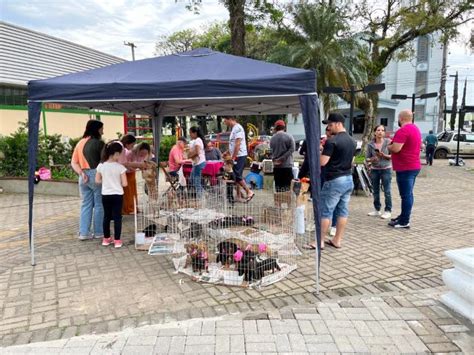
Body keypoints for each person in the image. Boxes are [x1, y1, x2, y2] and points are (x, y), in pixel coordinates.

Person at [306, 113, 356, 250]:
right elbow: (351, 161)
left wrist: (318, 152)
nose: (328, 127)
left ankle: (319, 241)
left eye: (330, 124)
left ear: (338, 124)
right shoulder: (353, 141)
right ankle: (337, 240)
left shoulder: (332, 141)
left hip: (334, 180)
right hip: (348, 179)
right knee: (342, 211)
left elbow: (323, 162)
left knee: (325, 211)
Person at [71, 120, 105, 241]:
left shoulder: (80, 143)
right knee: (99, 204)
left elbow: (73, 162)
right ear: (96, 129)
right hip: (96, 174)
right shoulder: (98, 143)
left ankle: (84, 233)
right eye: (101, 129)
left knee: (86, 205)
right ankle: (99, 232)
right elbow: (104, 161)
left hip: (83, 176)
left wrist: (81, 173)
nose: (103, 131)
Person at [388, 109, 421, 228]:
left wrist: (389, 146)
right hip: (413, 165)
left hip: (405, 167)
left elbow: (396, 148)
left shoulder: (403, 130)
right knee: (409, 194)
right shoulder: (415, 129)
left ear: (401, 118)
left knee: (406, 195)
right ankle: (403, 216)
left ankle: (404, 221)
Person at [95, 141, 128, 248]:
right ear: (116, 154)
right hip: (118, 195)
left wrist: (107, 181)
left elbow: (97, 181)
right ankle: (117, 240)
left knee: (107, 217)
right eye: (120, 154)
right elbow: (125, 183)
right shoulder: (120, 167)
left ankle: (106, 239)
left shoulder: (101, 166)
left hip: (106, 194)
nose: (120, 156)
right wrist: (117, 182)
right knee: (117, 217)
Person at [223, 117, 254, 202]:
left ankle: (249, 191)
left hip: (239, 155)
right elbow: (233, 144)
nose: (225, 123)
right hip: (237, 155)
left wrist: (233, 157)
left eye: (225, 121)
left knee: (237, 175)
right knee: (236, 176)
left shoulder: (238, 128)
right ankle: (238, 195)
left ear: (230, 119)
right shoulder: (234, 129)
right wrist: (228, 151)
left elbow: (238, 144)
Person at [366, 125, 392, 219]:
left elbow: (393, 156)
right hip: (375, 169)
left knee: (387, 191)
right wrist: (373, 159)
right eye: (378, 130)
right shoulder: (370, 144)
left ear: (384, 132)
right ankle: (377, 209)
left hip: (386, 169)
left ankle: (388, 210)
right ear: (374, 132)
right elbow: (367, 158)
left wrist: (384, 155)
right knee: (375, 191)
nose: (380, 132)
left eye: (382, 130)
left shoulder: (388, 142)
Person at [270, 119, 295, 191]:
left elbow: (271, 152)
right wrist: (282, 158)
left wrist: (275, 159)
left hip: (277, 167)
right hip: (287, 166)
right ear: (284, 127)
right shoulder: (289, 137)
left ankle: (278, 202)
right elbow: (292, 149)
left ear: (275, 128)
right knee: (287, 188)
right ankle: (288, 202)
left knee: (278, 188)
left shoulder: (272, 138)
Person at [188, 127, 206, 197]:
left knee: (196, 181)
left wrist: (188, 156)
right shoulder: (197, 140)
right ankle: (203, 192)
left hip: (199, 163)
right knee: (192, 179)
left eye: (190, 133)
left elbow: (197, 152)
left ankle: (200, 198)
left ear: (195, 133)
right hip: (197, 163)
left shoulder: (198, 140)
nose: (190, 135)